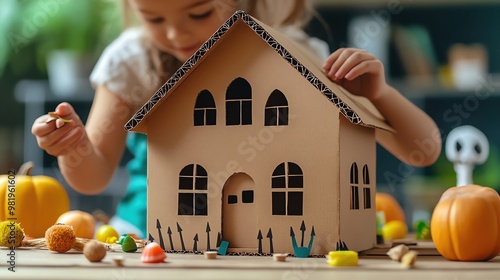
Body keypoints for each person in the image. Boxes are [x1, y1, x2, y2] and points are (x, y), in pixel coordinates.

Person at [31, 0, 441, 238]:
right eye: (153, 18)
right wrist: (75, 147)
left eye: (199, 12)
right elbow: (93, 176)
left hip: (271, 242)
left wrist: (379, 95)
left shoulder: (292, 52)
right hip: (146, 240)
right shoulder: (132, 62)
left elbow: (422, 153)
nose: (175, 34)